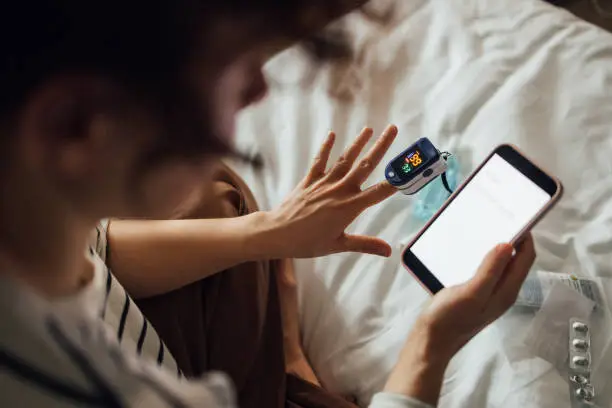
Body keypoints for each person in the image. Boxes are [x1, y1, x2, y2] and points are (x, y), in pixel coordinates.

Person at [0, 1, 536, 408]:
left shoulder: (26, 210)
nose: (260, 91)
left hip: (133, 330)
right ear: (72, 127)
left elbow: (99, 253)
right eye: (230, 67)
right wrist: (430, 343)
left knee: (218, 193)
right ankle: (294, 384)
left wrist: (268, 232)